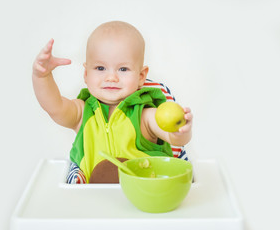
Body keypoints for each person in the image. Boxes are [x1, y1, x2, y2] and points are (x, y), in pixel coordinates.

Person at [32, 21, 193, 183]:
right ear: (86, 74)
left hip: (143, 196)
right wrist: (42, 77)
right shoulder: (82, 112)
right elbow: (54, 107)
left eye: (123, 69)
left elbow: (172, 137)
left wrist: (180, 132)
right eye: (100, 68)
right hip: (94, 199)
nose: (111, 78)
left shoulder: (145, 114)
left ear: (141, 76)